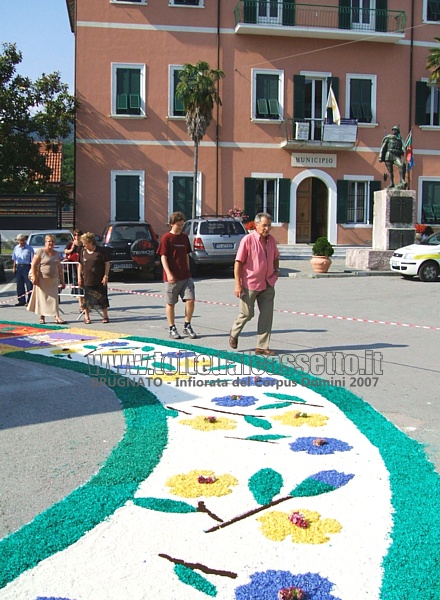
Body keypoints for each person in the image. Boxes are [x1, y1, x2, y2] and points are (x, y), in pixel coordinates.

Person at [229, 212, 280, 356]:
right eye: (264, 225)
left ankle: (262, 347)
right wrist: (237, 284)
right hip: (249, 283)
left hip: (268, 283)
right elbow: (238, 263)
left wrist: (276, 272)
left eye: (269, 225)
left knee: (266, 315)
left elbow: (276, 257)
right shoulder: (248, 240)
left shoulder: (272, 240)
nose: (267, 228)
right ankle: (234, 332)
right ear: (256, 225)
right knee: (247, 313)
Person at [157, 211, 197, 339]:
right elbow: (163, 257)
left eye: (182, 224)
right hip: (172, 278)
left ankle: (187, 325)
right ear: (171, 224)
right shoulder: (166, 238)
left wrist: (189, 271)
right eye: (178, 225)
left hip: (185, 276)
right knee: (171, 303)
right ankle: (172, 327)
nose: (180, 227)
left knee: (190, 300)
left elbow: (186, 255)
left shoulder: (184, 237)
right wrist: (168, 273)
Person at [27, 234, 66, 324]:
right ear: (45, 242)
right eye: (49, 241)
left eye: (52, 241)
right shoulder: (40, 251)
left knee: (54, 299)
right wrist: (35, 277)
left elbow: (60, 268)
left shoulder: (56, 253)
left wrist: (62, 280)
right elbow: (33, 265)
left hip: (53, 279)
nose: (51, 243)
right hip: (42, 279)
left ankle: (57, 317)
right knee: (42, 299)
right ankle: (42, 317)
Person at [77, 232, 110, 324]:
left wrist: (106, 275)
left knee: (102, 297)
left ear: (91, 242)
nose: (84, 245)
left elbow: (107, 263)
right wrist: (79, 277)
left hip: (99, 278)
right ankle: (87, 317)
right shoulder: (83, 251)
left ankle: (105, 316)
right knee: (87, 299)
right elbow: (80, 264)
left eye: (85, 243)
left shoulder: (100, 251)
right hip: (87, 278)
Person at [64, 229, 84, 311]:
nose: (77, 236)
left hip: (82, 265)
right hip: (74, 265)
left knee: (83, 283)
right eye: (75, 235)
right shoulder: (71, 243)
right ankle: (80, 303)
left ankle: (83, 303)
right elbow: (66, 251)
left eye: (78, 235)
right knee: (76, 281)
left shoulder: (83, 244)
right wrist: (71, 250)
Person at [11, 233, 34, 306]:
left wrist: (32, 269)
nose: (21, 242)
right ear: (17, 240)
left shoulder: (29, 248)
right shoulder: (16, 248)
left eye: (23, 240)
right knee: (19, 285)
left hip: (27, 267)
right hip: (19, 267)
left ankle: (30, 301)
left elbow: (32, 259)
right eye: (20, 240)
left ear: (25, 240)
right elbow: (14, 259)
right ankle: (21, 300)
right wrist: (14, 267)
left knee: (29, 284)